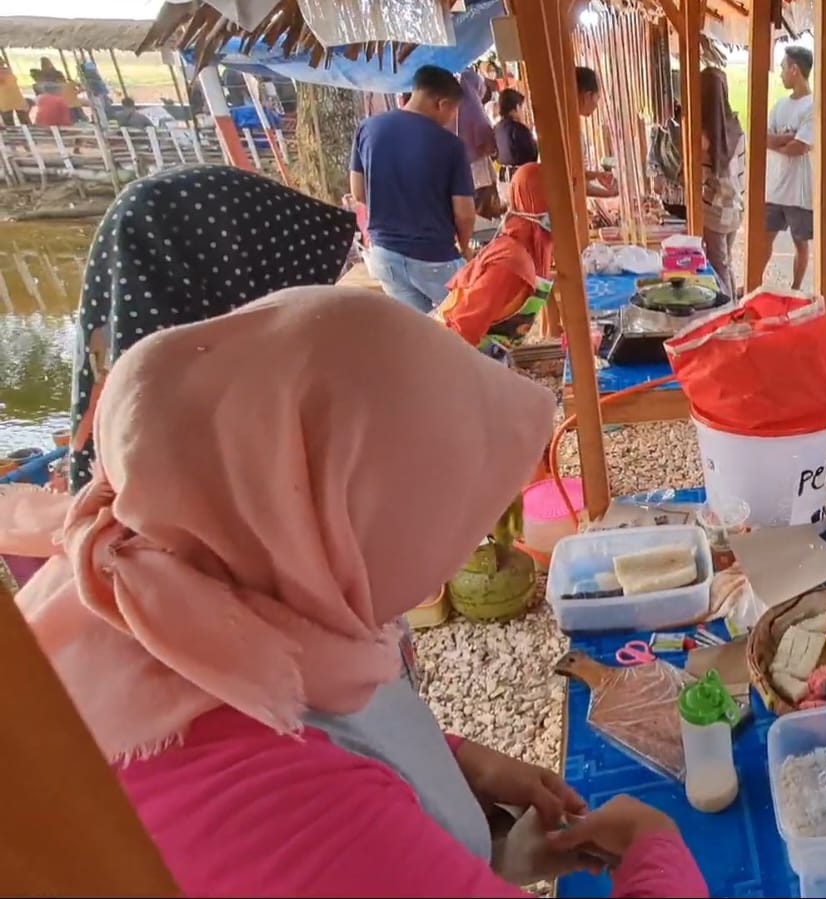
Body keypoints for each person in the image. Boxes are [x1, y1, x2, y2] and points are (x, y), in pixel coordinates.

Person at [7, 286, 708, 897]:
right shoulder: (277, 806)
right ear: (338, 517)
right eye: (454, 514)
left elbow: (312, 714)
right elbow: (319, 822)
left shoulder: (156, 568)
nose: (464, 546)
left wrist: (457, 769)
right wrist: (656, 847)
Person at [64, 165, 357, 492]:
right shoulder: (180, 454)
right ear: (230, 268)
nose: (302, 304)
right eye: (293, 282)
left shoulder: (143, 391)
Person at [350, 65, 476, 314]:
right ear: (441, 104)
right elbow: (465, 213)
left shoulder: (367, 129)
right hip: (435, 258)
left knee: (420, 330)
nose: (452, 118)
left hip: (385, 256)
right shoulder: (450, 145)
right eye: (453, 110)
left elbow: (358, 193)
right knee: (471, 324)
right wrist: (465, 249)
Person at [435, 163, 553, 353]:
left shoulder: (534, 247)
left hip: (483, 355)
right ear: (538, 202)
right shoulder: (510, 265)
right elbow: (459, 332)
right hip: (454, 355)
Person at [758, 46, 816, 291]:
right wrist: (787, 138)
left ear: (794, 70)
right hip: (775, 187)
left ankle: (795, 288)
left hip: (798, 191)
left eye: (783, 67)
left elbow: (799, 147)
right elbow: (762, 138)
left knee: (800, 242)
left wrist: (777, 141)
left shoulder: (812, 106)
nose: (780, 73)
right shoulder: (780, 105)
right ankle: (755, 282)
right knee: (764, 238)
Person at [699, 67, 747, 298]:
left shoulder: (705, 136)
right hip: (735, 207)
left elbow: (692, 173)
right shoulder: (736, 127)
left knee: (718, 267)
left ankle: (727, 309)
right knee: (726, 263)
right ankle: (733, 306)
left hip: (714, 211)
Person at [457, 68, 502, 219]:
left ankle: (487, 212)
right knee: (485, 183)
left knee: (481, 185)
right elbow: (482, 88)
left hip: (462, 153)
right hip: (477, 146)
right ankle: (490, 210)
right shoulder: (465, 76)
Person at [576, 66, 619, 199]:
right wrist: (610, 193)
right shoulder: (571, 134)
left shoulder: (570, 126)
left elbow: (574, 174)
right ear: (587, 96)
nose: (596, 105)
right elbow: (576, 183)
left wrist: (596, 175)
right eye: (597, 98)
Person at [648, 102, 687, 220]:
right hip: (671, 201)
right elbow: (653, 157)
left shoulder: (696, 115)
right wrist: (657, 174)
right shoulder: (661, 124)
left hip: (697, 200)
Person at [494, 88, 539, 172]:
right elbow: (533, 156)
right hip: (524, 174)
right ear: (517, 107)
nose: (523, 112)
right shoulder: (519, 129)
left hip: (505, 176)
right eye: (522, 108)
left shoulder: (496, 129)